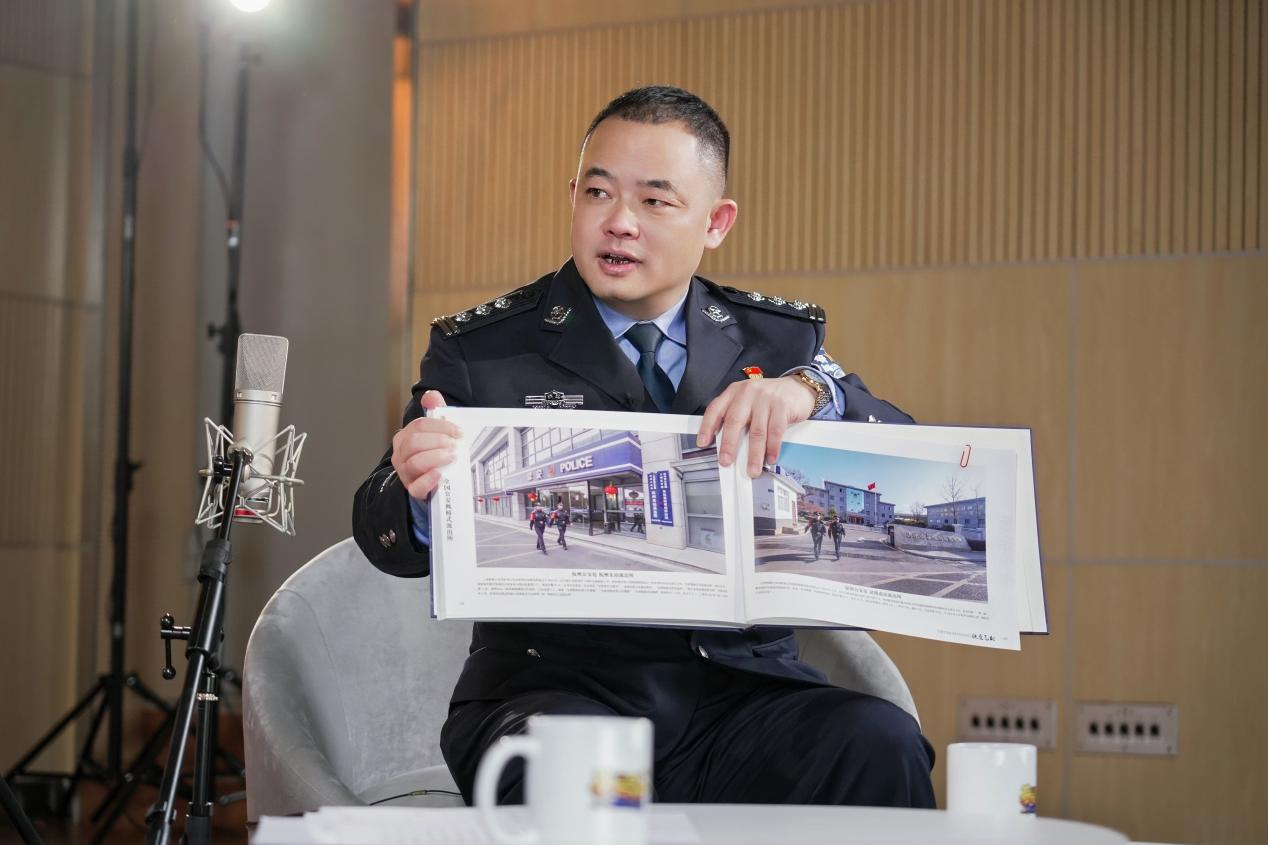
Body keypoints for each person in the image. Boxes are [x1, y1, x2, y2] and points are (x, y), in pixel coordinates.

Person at [352, 86, 933, 809]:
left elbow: (907, 456)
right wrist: (416, 492)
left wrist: (814, 391)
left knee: (878, 741)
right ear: (572, 197)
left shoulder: (778, 340)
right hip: (553, 693)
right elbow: (383, 537)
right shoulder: (486, 349)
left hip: (741, 696)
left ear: (715, 222)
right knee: (581, 770)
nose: (619, 222)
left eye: (655, 201)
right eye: (598, 192)